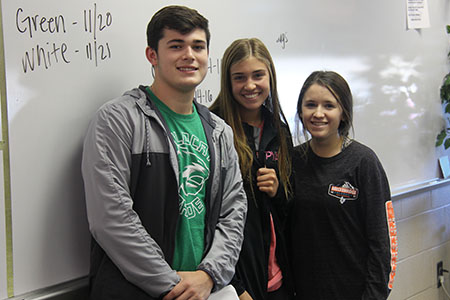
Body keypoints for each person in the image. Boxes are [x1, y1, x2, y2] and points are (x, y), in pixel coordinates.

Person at [81, 6, 247, 300]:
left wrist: (209, 275)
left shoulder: (220, 132)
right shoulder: (118, 120)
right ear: (152, 55)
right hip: (137, 292)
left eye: (198, 46)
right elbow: (112, 219)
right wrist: (174, 286)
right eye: (176, 46)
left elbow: (233, 212)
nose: (189, 55)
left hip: (204, 289)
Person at [289, 71, 398, 300]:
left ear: (343, 113)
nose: (318, 113)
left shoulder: (363, 162)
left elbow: (382, 244)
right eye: (311, 105)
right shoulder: (292, 161)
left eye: (329, 105)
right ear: (301, 111)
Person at [209, 38, 293, 300]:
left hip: (276, 278)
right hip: (233, 283)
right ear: (227, 81)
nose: (250, 85)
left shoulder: (278, 130)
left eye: (258, 75)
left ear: (270, 76)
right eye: (239, 77)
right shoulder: (213, 128)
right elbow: (204, 217)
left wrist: (278, 191)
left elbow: (289, 209)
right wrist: (235, 285)